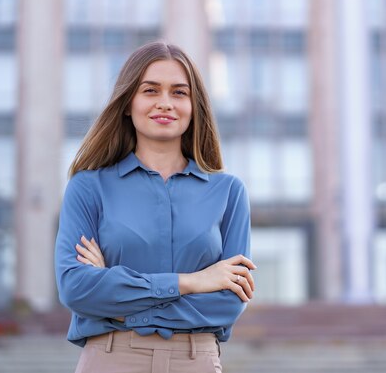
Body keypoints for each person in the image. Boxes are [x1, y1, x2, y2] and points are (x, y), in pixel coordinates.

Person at [54, 41, 256, 373]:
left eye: (179, 93)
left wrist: (117, 302)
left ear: (194, 106)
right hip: (110, 360)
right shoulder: (88, 187)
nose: (165, 103)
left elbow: (227, 303)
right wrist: (192, 281)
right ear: (128, 103)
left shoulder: (228, 192)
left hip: (197, 362)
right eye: (150, 90)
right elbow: (76, 288)